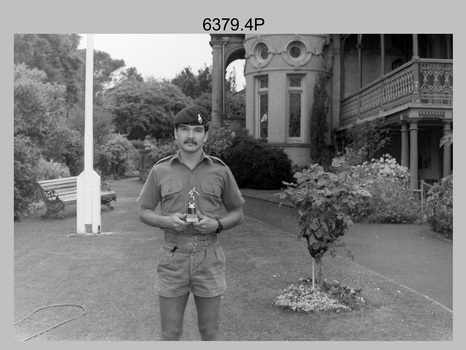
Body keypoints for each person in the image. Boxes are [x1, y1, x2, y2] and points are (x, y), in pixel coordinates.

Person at [137, 105, 245, 341]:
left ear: (205, 136)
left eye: (197, 130)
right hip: (173, 256)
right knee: (170, 333)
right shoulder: (160, 170)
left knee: (209, 332)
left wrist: (216, 225)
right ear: (175, 134)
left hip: (209, 255)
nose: (190, 136)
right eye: (184, 129)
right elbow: (144, 212)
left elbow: (237, 213)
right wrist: (166, 221)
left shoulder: (220, 170)